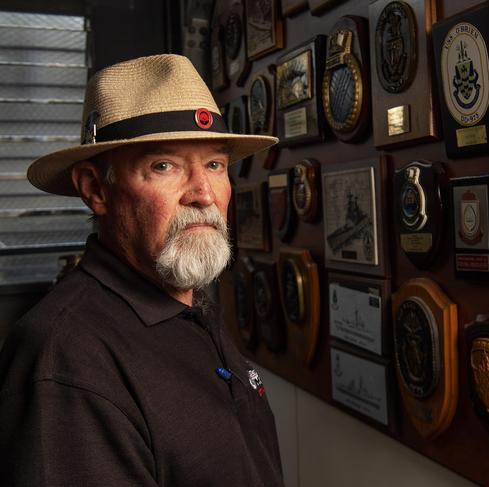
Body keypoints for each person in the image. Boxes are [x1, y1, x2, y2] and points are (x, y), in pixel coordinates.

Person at [0, 54, 284, 486]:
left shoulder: (188, 304)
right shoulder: (65, 360)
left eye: (215, 165)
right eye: (163, 166)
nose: (203, 194)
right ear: (96, 189)